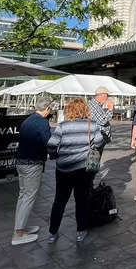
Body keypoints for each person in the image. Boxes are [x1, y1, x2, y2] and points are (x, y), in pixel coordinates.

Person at [47, 98, 103, 243]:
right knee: (81, 200)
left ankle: (53, 233)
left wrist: (54, 155)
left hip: (63, 168)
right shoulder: (93, 125)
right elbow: (98, 142)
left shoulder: (62, 126)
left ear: (69, 110)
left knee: (59, 201)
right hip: (83, 168)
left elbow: (52, 145)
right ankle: (80, 231)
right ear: (85, 110)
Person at [12, 96, 55, 245]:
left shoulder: (28, 120)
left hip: (21, 162)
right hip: (32, 163)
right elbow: (49, 142)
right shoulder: (42, 122)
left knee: (23, 195)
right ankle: (18, 233)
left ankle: (20, 227)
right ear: (48, 108)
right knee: (29, 197)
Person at [88, 86, 114, 151]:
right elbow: (102, 121)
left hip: (98, 136)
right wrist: (110, 109)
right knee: (94, 158)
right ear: (102, 95)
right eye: (107, 95)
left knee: (95, 158)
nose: (108, 97)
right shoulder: (94, 105)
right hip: (97, 138)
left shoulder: (96, 105)